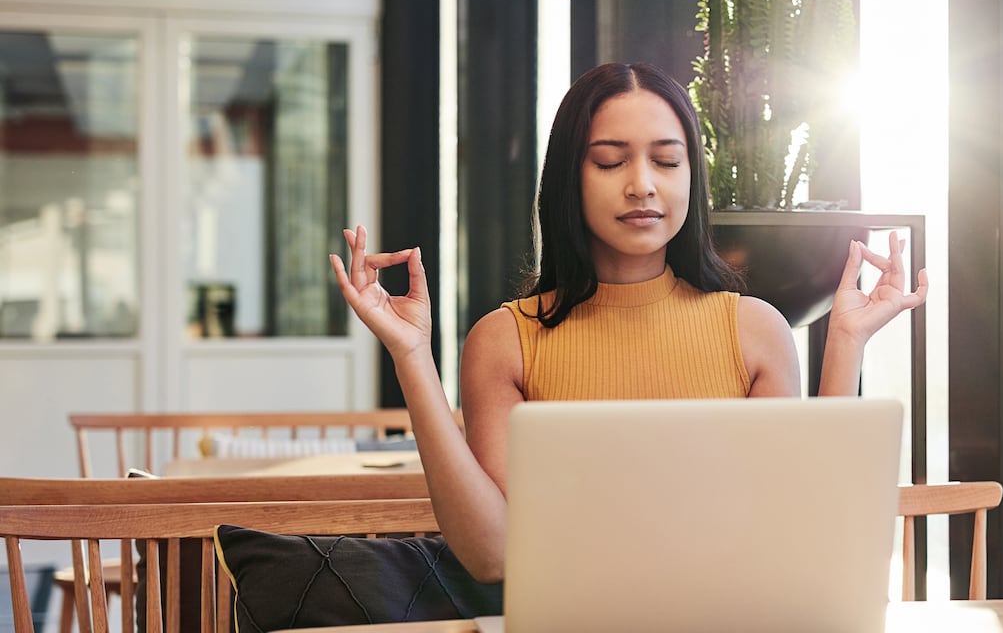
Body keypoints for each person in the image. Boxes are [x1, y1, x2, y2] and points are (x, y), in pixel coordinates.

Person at [330, 62, 927, 585]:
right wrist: (411, 355)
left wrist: (846, 341)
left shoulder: (754, 331)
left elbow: (802, 531)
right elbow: (494, 556)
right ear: (570, 177)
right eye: (611, 161)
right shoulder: (506, 340)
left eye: (667, 160)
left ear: (691, 177)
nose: (642, 184)